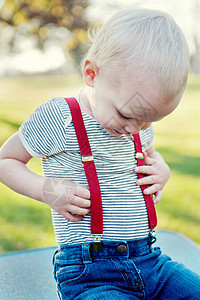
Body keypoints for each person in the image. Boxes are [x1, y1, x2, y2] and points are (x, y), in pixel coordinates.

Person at [0, 8, 200, 300]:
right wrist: (47, 190)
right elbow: (6, 160)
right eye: (126, 115)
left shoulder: (138, 125)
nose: (136, 129)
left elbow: (150, 154)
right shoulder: (60, 118)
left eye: (149, 121)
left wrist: (162, 170)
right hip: (90, 274)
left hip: (151, 262)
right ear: (91, 74)